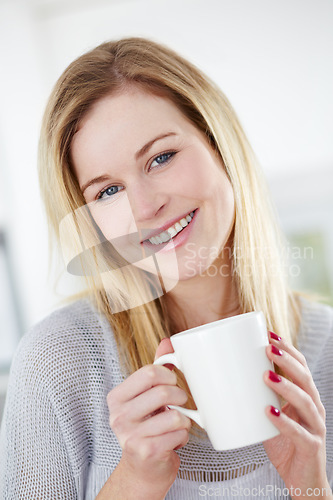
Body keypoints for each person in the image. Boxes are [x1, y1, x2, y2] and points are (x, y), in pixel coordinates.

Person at [0, 37, 332, 500]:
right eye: (107, 192)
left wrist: (312, 487)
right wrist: (134, 482)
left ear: (221, 148)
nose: (144, 207)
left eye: (160, 158)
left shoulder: (328, 349)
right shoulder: (59, 363)